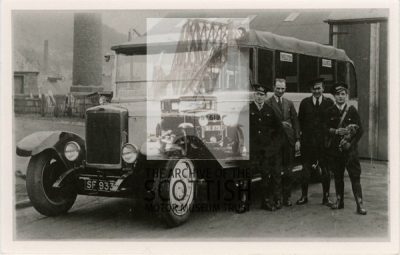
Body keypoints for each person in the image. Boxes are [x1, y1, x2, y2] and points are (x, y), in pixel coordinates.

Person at [237, 84, 284, 213]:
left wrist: (273, 147)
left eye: (262, 95)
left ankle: (266, 201)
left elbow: (279, 130)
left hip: (265, 150)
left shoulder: (270, 110)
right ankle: (243, 202)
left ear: (265, 96)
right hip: (250, 149)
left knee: (265, 176)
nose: (259, 97)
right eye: (257, 94)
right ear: (253, 95)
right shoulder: (246, 109)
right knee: (245, 176)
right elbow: (240, 129)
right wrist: (243, 147)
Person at [323, 82, 367, 215]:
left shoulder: (352, 110)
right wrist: (335, 132)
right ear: (334, 96)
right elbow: (323, 129)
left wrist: (350, 143)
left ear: (347, 96)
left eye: (343, 94)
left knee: (355, 177)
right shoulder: (329, 111)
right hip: (335, 152)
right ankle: (339, 201)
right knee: (338, 177)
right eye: (338, 95)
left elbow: (360, 131)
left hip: (350, 152)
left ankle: (360, 205)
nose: (340, 97)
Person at [296, 78, 334, 206]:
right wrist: (299, 140)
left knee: (325, 171)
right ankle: (304, 196)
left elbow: (333, 122)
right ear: (310, 89)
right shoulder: (305, 103)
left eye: (319, 88)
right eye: (314, 88)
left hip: (323, 144)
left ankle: (326, 198)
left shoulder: (329, 103)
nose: (317, 91)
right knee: (305, 171)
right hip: (308, 144)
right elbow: (299, 122)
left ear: (323, 89)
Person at [266, 78, 300, 208]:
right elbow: (266, 123)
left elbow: (296, 122)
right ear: (273, 87)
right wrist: (280, 124)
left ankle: (287, 197)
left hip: (289, 142)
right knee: (276, 172)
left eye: (283, 88)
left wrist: (297, 139)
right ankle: (277, 198)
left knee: (288, 171)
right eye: (278, 88)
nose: (280, 91)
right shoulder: (268, 103)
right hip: (275, 142)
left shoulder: (289, 103)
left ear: (285, 89)